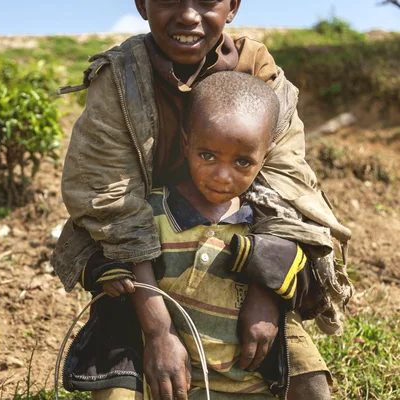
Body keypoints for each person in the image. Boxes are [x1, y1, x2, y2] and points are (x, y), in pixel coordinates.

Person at [53, 0, 353, 399]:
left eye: (206, 1)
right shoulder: (121, 79)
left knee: (308, 381)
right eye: (170, 0)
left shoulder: (260, 73)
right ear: (142, 5)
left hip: (244, 274)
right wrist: (158, 330)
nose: (189, 16)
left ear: (232, 7)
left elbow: (287, 188)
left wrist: (266, 296)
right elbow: (109, 199)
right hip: (145, 273)